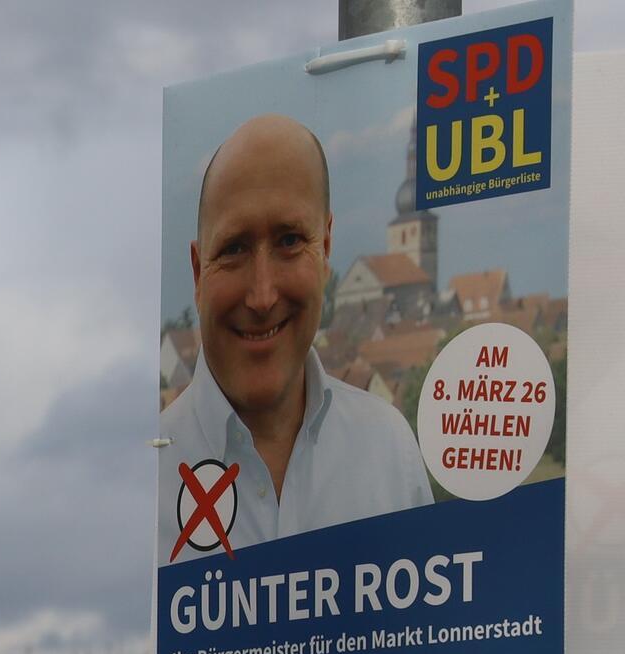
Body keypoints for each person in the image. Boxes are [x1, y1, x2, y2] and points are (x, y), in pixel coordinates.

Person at [158, 114, 430, 563]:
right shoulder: (146, 482)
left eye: (288, 240)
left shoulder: (390, 452)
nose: (262, 295)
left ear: (324, 250)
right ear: (196, 271)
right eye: (234, 249)